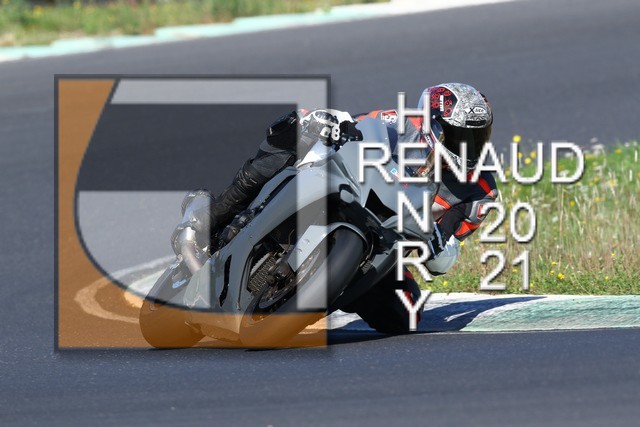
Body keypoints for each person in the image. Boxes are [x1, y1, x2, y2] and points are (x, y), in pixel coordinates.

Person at [177, 83, 498, 334]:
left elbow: (446, 250)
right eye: (460, 136)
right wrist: (328, 121)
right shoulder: (402, 123)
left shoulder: (480, 191)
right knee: (296, 128)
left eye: (478, 136)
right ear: (433, 126)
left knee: (407, 315)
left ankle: (322, 290)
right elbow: (357, 127)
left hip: (386, 243)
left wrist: (438, 242)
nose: (470, 146)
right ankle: (214, 215)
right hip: (351, 193)